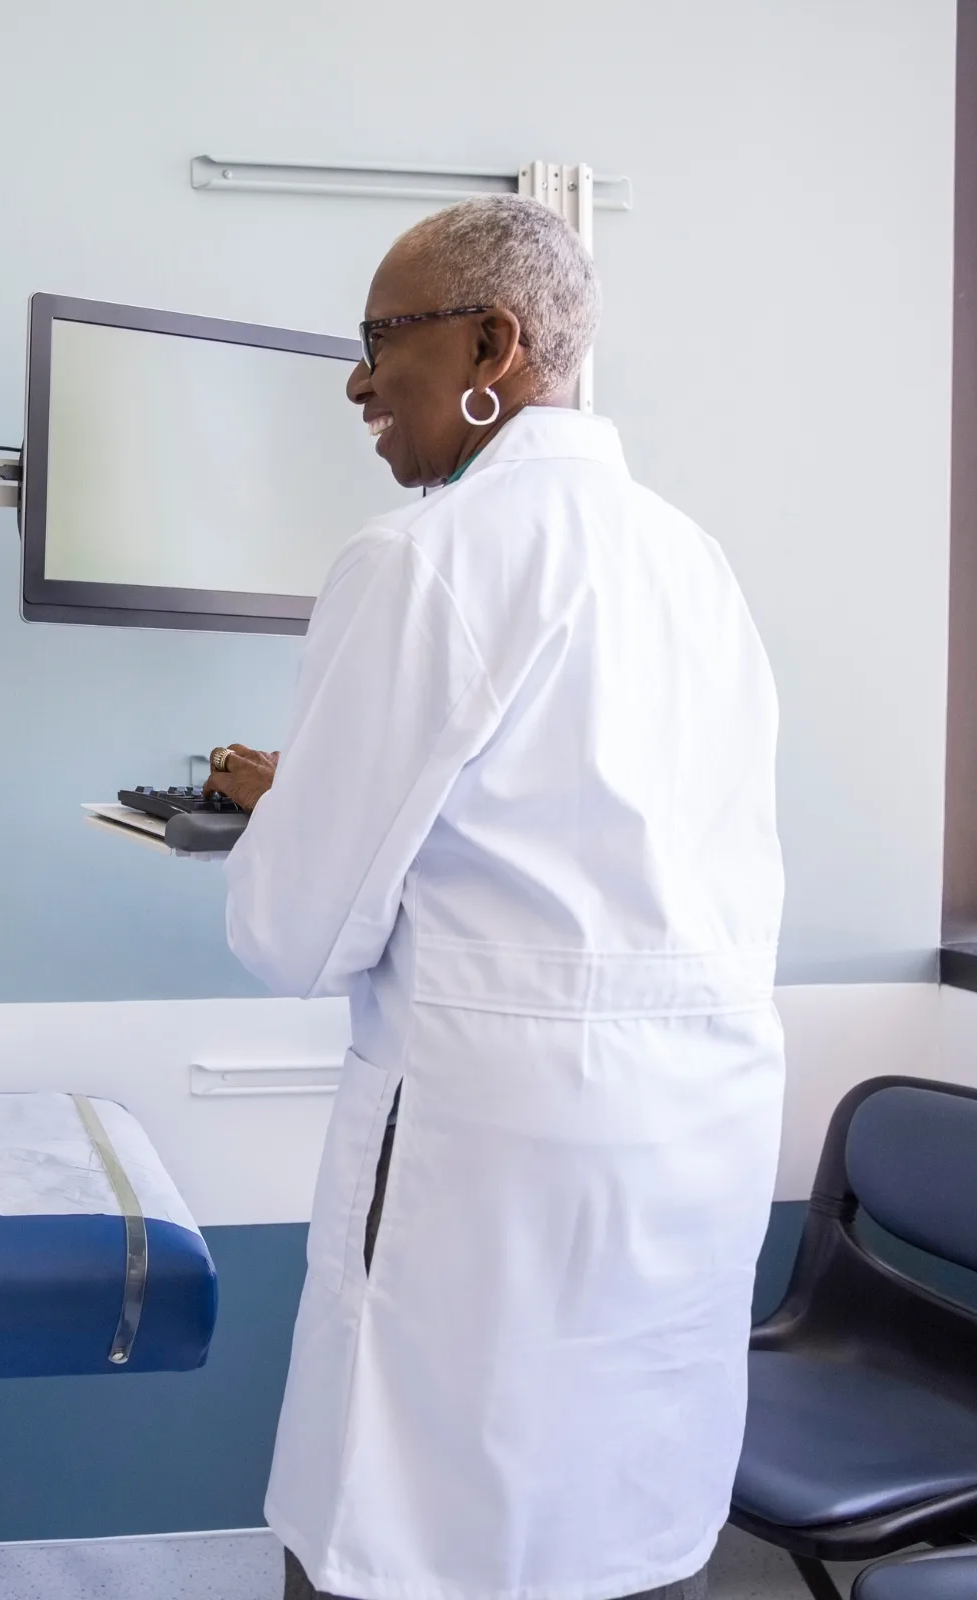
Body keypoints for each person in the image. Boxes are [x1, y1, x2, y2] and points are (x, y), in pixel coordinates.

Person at [207, 197, 784, 1600]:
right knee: (615, 1538)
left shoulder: (420, 559)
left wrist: (282, 817)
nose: (357, 385)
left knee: (409, 1537)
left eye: (377, 344)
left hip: (490, 1146)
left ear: (493, 343)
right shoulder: (695, 563)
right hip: (693, 1137)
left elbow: (292, 933)